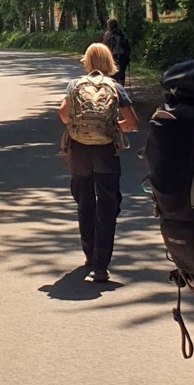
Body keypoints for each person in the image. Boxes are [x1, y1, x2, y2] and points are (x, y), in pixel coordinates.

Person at [59, 42, 138, 282]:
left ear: (87, 61)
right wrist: (112, 127)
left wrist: (80, 125)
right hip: (106, 153)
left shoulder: (74, 85)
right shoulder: (115, 87)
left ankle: (88, 253)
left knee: (85, 202)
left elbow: (63, 114)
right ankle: (101, 265)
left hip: (79, 152)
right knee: (107, 205)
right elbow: (132, 123)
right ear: (109, 62)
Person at [103, 18, 131, 84]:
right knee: (122, 73)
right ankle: (121, 87)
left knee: (112, 72)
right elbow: (127, 45)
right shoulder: (122, 33)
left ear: (109, 25)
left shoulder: (107, 34)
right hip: (123, 56)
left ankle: (114, 86)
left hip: (112, 56)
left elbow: (105, 46)